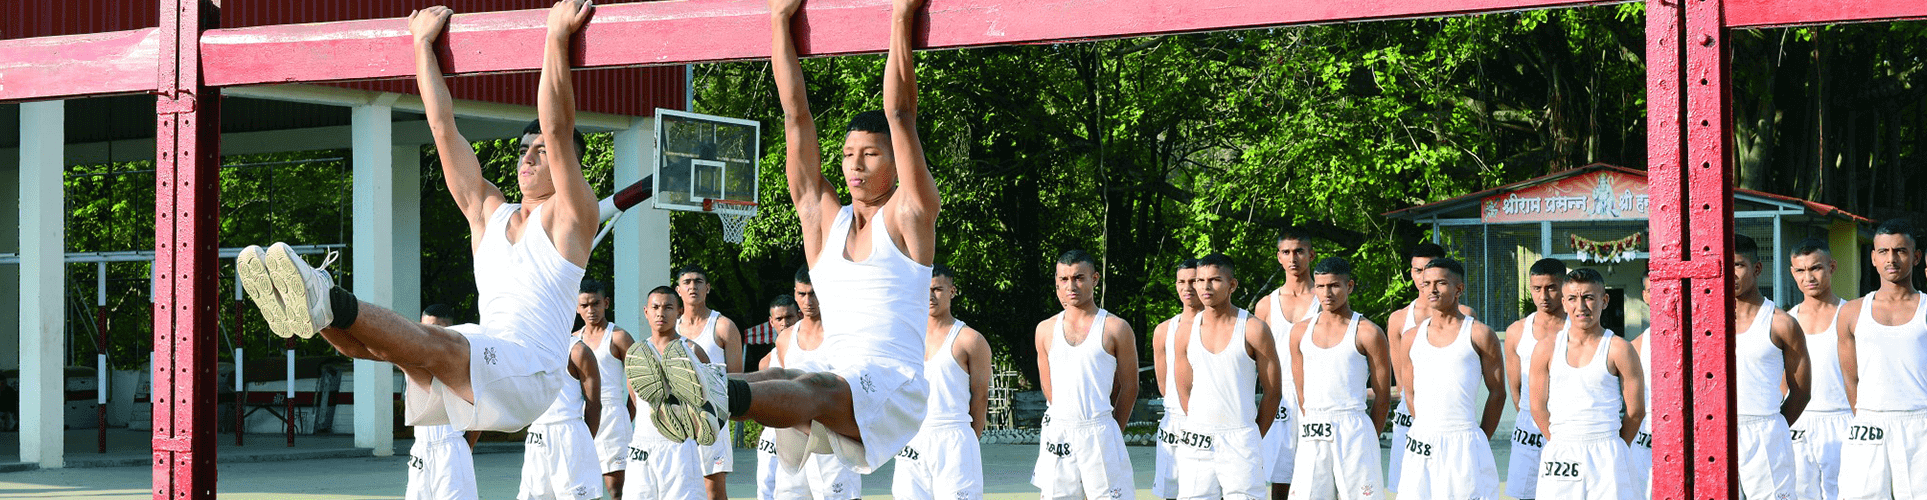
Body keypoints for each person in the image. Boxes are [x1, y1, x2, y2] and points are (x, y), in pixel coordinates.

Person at [235, 1, 597, 433]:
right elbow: (443, 127)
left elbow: (557, 129)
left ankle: (325, 295)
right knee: (391, 351)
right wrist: (422, 45)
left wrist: (555, 38)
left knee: (435, 343)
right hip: (489, 347)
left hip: (531, 369)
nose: (530, 158)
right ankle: (318, 313)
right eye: (523, 150)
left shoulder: (571, 216)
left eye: (541, 152)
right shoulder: (488, 212)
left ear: (565, 165)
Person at [629, 0, 943, 477]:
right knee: (783, 371)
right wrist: (778, 20)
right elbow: (796, 117)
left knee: (812, 384)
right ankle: (705, 394)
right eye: (848, 154)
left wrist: (901, 16)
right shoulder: (823, 222)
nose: (855, 165)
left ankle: (713, 394)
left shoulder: (908, 216)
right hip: (837, 374)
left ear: (897, 163)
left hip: (893, 385)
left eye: (871, 154)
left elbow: (900, 112)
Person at [1031, 249, 1140, 499]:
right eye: (1064, 279)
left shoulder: (1116, 327)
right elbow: (1049, 389)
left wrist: (1111, 429)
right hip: (1059, 433)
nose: (1072, 285)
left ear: (1095, 279)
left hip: (1100, 429)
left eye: (1079, 277)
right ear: (1057, 282)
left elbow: (1130, 386)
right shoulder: (1045, 330)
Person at [1393, 258, 1504, 499]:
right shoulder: (1411, 337)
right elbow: (1409, 393)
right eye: (1426, 283)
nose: (1432, 289)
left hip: (1465, 440)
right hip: (1422, 440)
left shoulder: (1479, 334)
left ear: (1459, 289)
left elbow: (1497, 392)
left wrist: (1480, 438)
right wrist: (1427, 427)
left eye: (1441, 283)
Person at [1528, 268, 1644, 500]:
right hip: (1561, 449)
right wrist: (1561, 440)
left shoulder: (1619, 348)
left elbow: (1636, 411)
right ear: (1563, 302)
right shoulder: (1546, 347)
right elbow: (1537, 407)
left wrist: (1615, 445)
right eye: (1572, 299)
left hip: (1607, 449)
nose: (1580, 307)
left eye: (1589, 297)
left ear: (1604, 300)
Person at [1174, 253, 1283, 500]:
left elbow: (1273, 392)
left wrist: (1251, 435)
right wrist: (1201, 424)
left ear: (1232, 285)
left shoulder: (1254, 329)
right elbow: (1184, 390)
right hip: (1197, 438)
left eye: (1214, 280)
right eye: (1199, 280)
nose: (1204, 287)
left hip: (1241, 436)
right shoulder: (1184, 331)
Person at [1288, 257, 1394, 499]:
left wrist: (1367, 437)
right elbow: (1301, 390)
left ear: (1350, 286)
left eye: (1334, 285)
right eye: (1321, 286)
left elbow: (1383, 396)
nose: (1327, 293)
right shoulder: (1299, 331)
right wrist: (1315, 422)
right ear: (1314, 287)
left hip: (1353, 428)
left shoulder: (1368, 332)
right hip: (1313, 426)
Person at [1837, 219, 1927, 500]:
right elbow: (1851, 379)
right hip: (1869, 421)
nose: (1892, 259)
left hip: (1920, 422)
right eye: (1884, 251)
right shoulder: (1852, 312)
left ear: (1916, 256)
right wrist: (1867, 415)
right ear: (1873, 257)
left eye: (1900, 251)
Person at [1382, 243, 1475, 492]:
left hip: (1453, 421)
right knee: (1411, 488)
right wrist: (1420, 418)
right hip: (1412, 417)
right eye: (1417, 270)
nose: (1423, 277)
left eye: (1429, 269)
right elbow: (1402, 379)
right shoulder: (1399, 319)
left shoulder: (1466, 315)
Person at [893, 264, 991, 500]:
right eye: (923, 289)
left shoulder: (970, 340)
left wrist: (966, 442)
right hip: (912, 438)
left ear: (952, 291)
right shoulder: (904, 338)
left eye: (936, 289)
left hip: (954, 436)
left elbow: (981, 397)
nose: (929, 296)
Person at [1730, 234, 1814, 498]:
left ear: (1757, 269)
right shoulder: (1706, 322)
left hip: (1765, 435)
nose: (1730, 273)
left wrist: (1772, 425)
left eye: (1738, 265)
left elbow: (1801, 391)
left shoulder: (1781, 323)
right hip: (1716, 434)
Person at [623, 287, 708, 500]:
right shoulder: (636, 353)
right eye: (655, 307)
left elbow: (710, 400)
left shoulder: (692, 350)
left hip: (679, 445)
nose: (661, 313)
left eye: (668, 307)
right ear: (646, 311)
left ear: (679, 311)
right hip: (642, 444)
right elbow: (635, 397)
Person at [1251, 232, 1318, 499]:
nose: (1293, 258)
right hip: (1278, 396)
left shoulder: (1325, 299)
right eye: (1287, 252)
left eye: (1299, 251)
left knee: (1319, 475)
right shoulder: (1266, 305)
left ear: (1311, 255)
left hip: (1314, 394)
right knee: (1281, 478)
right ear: (1279, 257)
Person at [1786, 238, 1851, 500]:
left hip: (1844, 419)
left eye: (1816, 268)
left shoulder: (1851, 315)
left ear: (1832, 267)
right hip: (1800, 422)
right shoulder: (1786, 320)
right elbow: (1782, 379)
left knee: (1846, 494)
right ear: (1792, 272)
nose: (1808, 277)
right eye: (1800, 270)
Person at [673, 265, 744, 499]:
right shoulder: (669, 327)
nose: (692, 286)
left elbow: (736, 380)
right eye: (687, 282)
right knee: (678, 488)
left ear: (708, 287)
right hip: (678, 421)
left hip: (713, 420)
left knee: (713, 491)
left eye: (698, 281)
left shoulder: (723, 326)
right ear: (678, 290)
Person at [1501, 258, 1564, 500]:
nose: (1543, 296)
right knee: (1527, 494)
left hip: (1567, 423)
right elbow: (1515, 389)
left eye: (1551, 287)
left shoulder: (1578, 328)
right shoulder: (1517, 331)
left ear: (1563, 287)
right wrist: (1534, 414)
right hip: (1529, 424)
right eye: (1537, 289)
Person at [517, 333, 603, 500]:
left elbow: (594, 405)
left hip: (568, 431)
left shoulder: (578, 351)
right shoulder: (526, 346)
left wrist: (581, 442)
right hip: (537, 432)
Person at [408, 307, 479, 500]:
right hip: (420, 450)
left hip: (450, 448)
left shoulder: (465, 359)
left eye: (437, 328)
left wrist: (466, 445)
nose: (429, 334)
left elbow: (480, 406)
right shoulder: (411, 356)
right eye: (425, 328)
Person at [574, 280, 637, 498]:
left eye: (595, 304)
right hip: (580, 418)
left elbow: (637, 383)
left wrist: (626, 416)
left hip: (613, 418)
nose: (590, 310)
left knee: (616, 490)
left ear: (606, 303)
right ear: (577, 307)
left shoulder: (619, 337)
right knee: (582, 487)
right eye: (585, 305)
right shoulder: (572, 340)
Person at [1152, 259, 1203, 500]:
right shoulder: (1164, 330)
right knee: (1171, 492)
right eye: (1182, 281)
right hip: (1174, 422)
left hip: (1211, 420)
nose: (1188, 287)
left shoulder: (1227, 326)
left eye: (1193, 281)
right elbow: (1164, 385)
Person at [745, 295, 802, 369]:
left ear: (800, 316)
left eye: (789, 317)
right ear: (771, 322)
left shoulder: (814, 348)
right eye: (779, 319)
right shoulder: (766, 362)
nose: (784, 323)